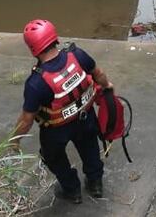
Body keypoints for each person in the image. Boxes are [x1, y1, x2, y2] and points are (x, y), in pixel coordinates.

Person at [11, 19, 115, 204]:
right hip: (86, 116)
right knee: (90, 149)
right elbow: (98, 74)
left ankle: (72, 190)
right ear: (54, 38)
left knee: (53, 157)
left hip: (56, 129)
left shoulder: (36, 83)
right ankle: (95, 183)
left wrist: (14, 141)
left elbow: (27, 120)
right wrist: (107, 86)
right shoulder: (78, 55)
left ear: (33, 48)